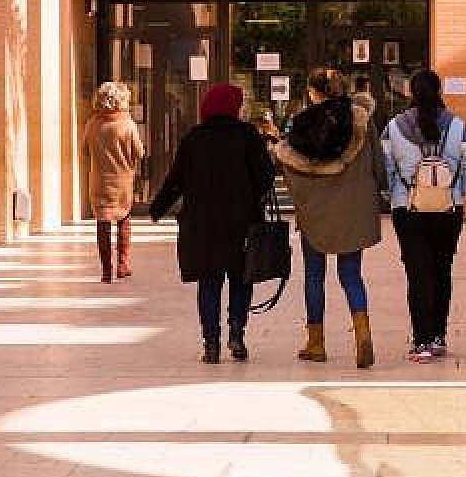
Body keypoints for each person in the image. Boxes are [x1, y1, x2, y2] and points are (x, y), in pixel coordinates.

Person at [149, 82, 276, 363]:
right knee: (240, 281)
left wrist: (157, 208)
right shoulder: (247, 135)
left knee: (209, 282)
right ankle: (237, 335)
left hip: (203, 226)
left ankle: (210, 343)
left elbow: (176, 180)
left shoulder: (195, 138)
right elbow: (266, 177)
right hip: (242, 225)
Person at [275, 68, 387, 368]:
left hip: (315, 210)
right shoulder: (362, 119)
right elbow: (378, 163)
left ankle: (316, 342)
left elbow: (290, 163)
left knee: (314, 275)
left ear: (314, 92)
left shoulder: (305, 124)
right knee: (351, 275)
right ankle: (362, 334)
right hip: (353, 208)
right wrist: (380, 190)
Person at [383, 69, 466, 362]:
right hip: (448, 210)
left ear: (410, 93)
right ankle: (439, 336)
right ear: (439, 90)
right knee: (442, 271)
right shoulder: (459, 126)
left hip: (408, 210)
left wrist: (397, 196)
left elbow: (385, 168)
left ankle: (422, 341)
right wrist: (454, 191)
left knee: (418, 274)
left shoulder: (393, 127)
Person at [82, 82, 145, 284]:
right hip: (122, 181)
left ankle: (106, 270)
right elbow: (139, 152)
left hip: (99, 181)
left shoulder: (92, 124)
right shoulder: (127, 124)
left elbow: (84, 150)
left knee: (102, 223)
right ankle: (122, 264)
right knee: (123, 220)